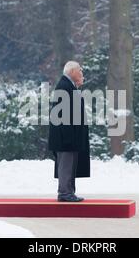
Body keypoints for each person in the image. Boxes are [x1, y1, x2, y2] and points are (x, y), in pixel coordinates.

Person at [48, 61, 90, 202]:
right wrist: (68, 138)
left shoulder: (69, 86)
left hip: (68, 137)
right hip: (66, 138)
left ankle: (68, 192)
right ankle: (65, 193)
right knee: (66, 166)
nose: (82, 73)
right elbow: (62, 115)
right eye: (80, 70)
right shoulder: (65, 87)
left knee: (69, 166)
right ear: (72, 71)